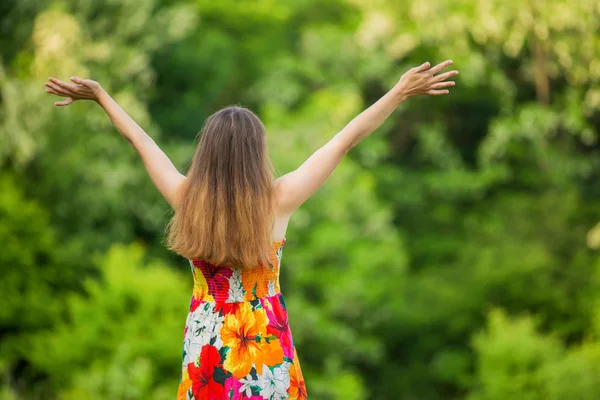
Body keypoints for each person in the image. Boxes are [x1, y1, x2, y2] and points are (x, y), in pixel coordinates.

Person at [44, 59, 458, 399]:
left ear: (206, 152)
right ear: (255, 152)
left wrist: (102, 96)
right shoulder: (277, 200)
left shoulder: (187, 198)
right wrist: (397, 92)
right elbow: (342, 141)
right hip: (261, 344)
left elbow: (142, 142)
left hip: (205, 345)